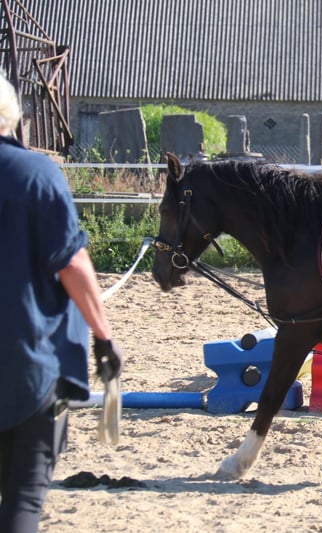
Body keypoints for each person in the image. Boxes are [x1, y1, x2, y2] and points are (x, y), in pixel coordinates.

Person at [0, 72, 123, 532]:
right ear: (13, 115)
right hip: (25, 364)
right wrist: (103, 336)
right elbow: (71, 264)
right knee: (23, 498)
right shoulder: (33, 174)